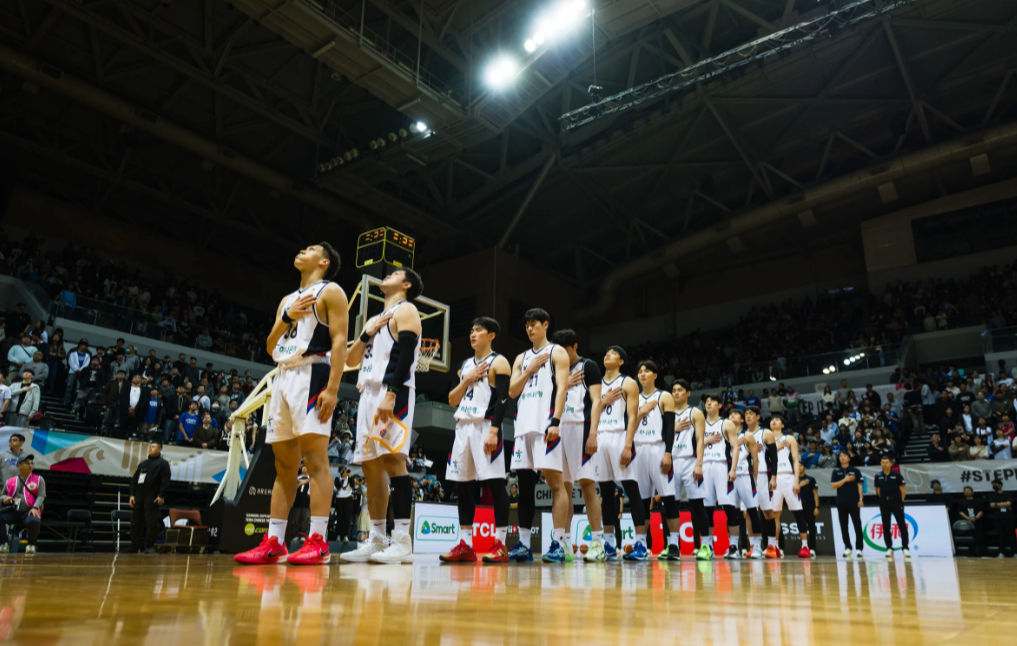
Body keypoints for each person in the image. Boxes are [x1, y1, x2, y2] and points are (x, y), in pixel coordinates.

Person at [235, 243, 348, 567]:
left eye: (310, 249)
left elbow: (340, 340)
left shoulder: (332, 291)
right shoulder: (287, 300)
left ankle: (318, 540)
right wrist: (287, 316)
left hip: (313, 375)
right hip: (283, 376)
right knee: (283, 467)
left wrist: (333, 388)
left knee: (315, 460)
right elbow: (271, 346)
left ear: (324, 261)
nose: (301, 250)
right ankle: (274, 541)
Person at [341, 269, 421, 565]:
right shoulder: (376, 319)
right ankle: (376, 539)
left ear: (406, 284)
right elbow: (351, 360)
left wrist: (393, 393)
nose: (386, 274)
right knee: (370, 467)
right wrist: (366, 332)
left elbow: (408, 353)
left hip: (392, 390)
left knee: (392, 461)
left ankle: (402, 540)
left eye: (395, 273)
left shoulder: (407, 309)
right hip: (367, 393)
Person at [441, 317, 513, 564]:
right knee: (463, 487)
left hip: (485, 426)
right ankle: (466, 545)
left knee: (494, 484)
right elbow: (452, 399)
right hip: (463, 427)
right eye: (471, 330)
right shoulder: (464, 365)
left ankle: (500, 544)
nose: (473, 334)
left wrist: (494, 430)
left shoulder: (499, 361)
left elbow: (504, 398)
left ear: (491, 335)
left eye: (478, 330)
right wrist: (467, 378)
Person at [502, 308, 571, 563]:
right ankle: (523, 544)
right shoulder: (521, 358)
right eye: (527, 325)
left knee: (556, 484)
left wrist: (556, 421)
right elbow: (511, 391)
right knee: (525, 487)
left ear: (545, 325)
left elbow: (562, 388)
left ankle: (558, 543)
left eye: (534, 324)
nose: (530, 329)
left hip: (546, 425)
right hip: (523, 428)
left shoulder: (557, 352)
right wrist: (529, 369)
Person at [548, 329, 608, 562]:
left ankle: (597, 543)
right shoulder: (556, 370)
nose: (560, 354)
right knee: (562, 489)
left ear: (574, 346)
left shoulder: (589, 366)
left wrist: (593, 434)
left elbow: (596, 402)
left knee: (587, 487)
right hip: (559, 429)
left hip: (581, 429)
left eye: (564, 349)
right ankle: (563, 543)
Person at [594, 345, 645, 562]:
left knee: (632, 490)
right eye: (606, 352)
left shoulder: (629, 383)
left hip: (618, 436)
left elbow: (632, 417)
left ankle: (641, 544)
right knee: (606, 494)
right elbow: (591, 409)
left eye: (613, 353)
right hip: (598, 438)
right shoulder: (596, 383)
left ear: (621, 361)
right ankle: (608, 544)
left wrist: (627, 445)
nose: (607, 354)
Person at [631, 360, 681, 561]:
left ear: (655, 375)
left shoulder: (664, 396)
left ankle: (674, 545)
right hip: (638, 450)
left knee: (668, 497)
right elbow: (629, 427)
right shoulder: (633, 398)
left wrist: (668, 452)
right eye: (640, 371)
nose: (642, 374)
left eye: (647, 371)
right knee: (641, 500)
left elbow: (670, 427)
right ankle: (641, 544)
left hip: (659, 448)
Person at [696, 394, 740, 561]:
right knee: (706, 509)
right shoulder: (699, 422)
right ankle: (707, 546)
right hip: (704, 466)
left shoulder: (726, 423)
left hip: (722, 466)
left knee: (729, 508)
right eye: (706, 401)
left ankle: (734, 546)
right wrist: (706, 440)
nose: (708, 403)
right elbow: (694, 444)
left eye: (712, 401)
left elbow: (735, 448)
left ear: (720, 405)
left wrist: (733, 468)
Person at [672, 380, 708, 554]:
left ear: (688, 393)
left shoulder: (695, 412)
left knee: (697, 505)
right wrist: (674, 428)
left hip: (689, 461)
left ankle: (706, 545)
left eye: (680, 390)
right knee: (671, 505)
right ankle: (672, 546)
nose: (676, 393)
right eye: (674, 390)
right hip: (671, 462)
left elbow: (701, 440)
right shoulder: (667, 412)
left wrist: (699, 464)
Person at [767, 415, 809, 559]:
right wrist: (777, 447)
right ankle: (776, 547)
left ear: (783, 425)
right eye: (772, 420)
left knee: (798, 512)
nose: (774, 421)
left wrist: (797, 480)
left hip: (788, 476)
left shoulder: (790, 439)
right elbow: (765, 459)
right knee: (775, 514)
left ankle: (805, 546)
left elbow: (796, 460)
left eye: (777, 419)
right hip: (774, 478)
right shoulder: (766, 439)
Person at [730, 409, 763, 559]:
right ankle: (734, 547)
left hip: (744, 476)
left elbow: (755, 460)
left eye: (736, 414)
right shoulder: (725, 435)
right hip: (729, 477)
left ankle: (756, 547)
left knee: (752, 512)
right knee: (731, 513)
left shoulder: (748, 435)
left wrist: (755, 479)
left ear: (742, 420)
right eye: (730, 414)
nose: (732, 416)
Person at [128, 441, 171, 553]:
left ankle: (150, 545)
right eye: (150, 447)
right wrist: (132, 494)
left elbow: (165, 481)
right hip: (139, 496)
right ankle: (135, 545)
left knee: (151, 522)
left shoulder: (163, 463)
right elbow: (134, 480)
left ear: (160, 449)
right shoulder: (143, 464)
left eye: (153, 447)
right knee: (136, 521)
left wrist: (161, 496)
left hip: (152, 497)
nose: (150, 448)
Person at [0, 454, 45, 555]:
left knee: (34, 521)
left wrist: (35, 507)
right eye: (27, 463)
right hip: (13, 511)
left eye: (31, 463)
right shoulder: (10, 481)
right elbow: (2, 495)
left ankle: (31, 545)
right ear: (19, 466)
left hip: (28, 511)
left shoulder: (38, 479)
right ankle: (3, 543)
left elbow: (41, 496)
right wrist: (5, 498)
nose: (30, 465)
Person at [874, 455, 909, 559]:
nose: (885, 464)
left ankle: (905, 548)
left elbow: (903, 489)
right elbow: (878, 490)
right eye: (883, 462)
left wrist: (900, 501)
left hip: (896, 502)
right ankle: (889, 548)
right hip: (884, 503)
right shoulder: (878, 476)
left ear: (890, 464)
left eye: (886, 462)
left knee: (901, 524)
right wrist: (884, 499)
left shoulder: (897, 475)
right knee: (886, 526)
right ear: (881, 463)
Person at [831, 450, 865, 558]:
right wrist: (845, 480)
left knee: (857, 525)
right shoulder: (836, 471)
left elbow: (860, 486)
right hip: (841, 502)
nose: (842, 458)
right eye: (840, 456)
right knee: (843, 526)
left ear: (849, 458)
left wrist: (861, 499)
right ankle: (848, 548)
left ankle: (859, 548)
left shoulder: (855, 470)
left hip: (854, 502)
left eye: (844, 456)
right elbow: (833, 485)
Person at [986, 479, 1015, 558]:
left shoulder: (1007, 494)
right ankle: (1001, 552)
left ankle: (1014, 552)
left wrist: (997, 504)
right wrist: (1004, 504)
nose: (994, 486)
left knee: (1011, 535)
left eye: (995, 484)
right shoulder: (992, 495)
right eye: (993, 485)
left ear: (1000, 485)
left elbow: (1009, 503)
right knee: (1000, 535)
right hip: (998, 517)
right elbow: (991, 505)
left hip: (1008, 517)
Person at [956, 486, 986, 557]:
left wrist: (975, 518)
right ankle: (971, 554)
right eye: (965, 490)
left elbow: (981, 511)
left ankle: (982, 554)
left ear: (972, 492)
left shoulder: (978, 501)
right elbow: (960, 511)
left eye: (969, 490)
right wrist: (968, 518)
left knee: (980, 538)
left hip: (978, 521)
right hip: (967, 523)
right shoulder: (961, 501)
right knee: (969, 539)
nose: (967, 492)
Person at [797, 462, 819, 558]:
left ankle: (812, 549)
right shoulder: (793, 480)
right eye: (797, 465)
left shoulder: (811, 479)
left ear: (804, 467)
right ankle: (804, 547)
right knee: (801, 527)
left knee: (811, 527)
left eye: (800, 465)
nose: (799, 467)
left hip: (809, 505)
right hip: (798, 506)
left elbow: (815, 494)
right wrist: (800, 485)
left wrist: (817, 507)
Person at [285, 466, 311, 545]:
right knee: (296, 518)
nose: (304, 468)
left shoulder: (311, 478)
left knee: (305, 518)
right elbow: (293, 488)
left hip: (306, 500)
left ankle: (303, 535)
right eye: (303, 467)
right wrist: (302, 483)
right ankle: (295, 534)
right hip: (297, 500)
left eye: (306, 467)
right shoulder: (298, 478)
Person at [334, 467, 354, 542]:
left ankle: (345, 535)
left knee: (347, 518)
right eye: (342, 470)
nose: (344, 471)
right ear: (339, 471)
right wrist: (342, 478)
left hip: (348, 498)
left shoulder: (349, 478)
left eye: (345, 470)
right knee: (339, 518)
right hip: (339, 498)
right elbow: (338, 486)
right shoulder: (337, 479)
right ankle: (338, 535)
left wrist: (349, 477)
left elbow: (352, 485)